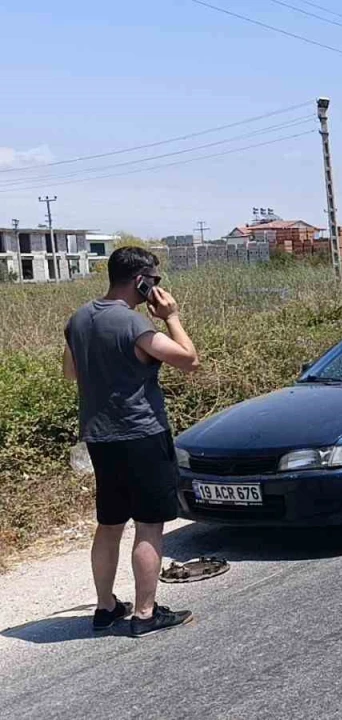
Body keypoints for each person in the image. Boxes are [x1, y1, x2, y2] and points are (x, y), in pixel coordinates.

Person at [64, 246, 201, 637]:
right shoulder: (132, 323)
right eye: (154, 280)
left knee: (109, 523)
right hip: (142, 434)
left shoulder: (78, 319)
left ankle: (105, 607)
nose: (156, 287)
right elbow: (189, 360)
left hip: (99, 437)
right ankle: (145, 613)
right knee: (149, 525)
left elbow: (70, 372)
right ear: (141, 280)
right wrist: (171, 317)